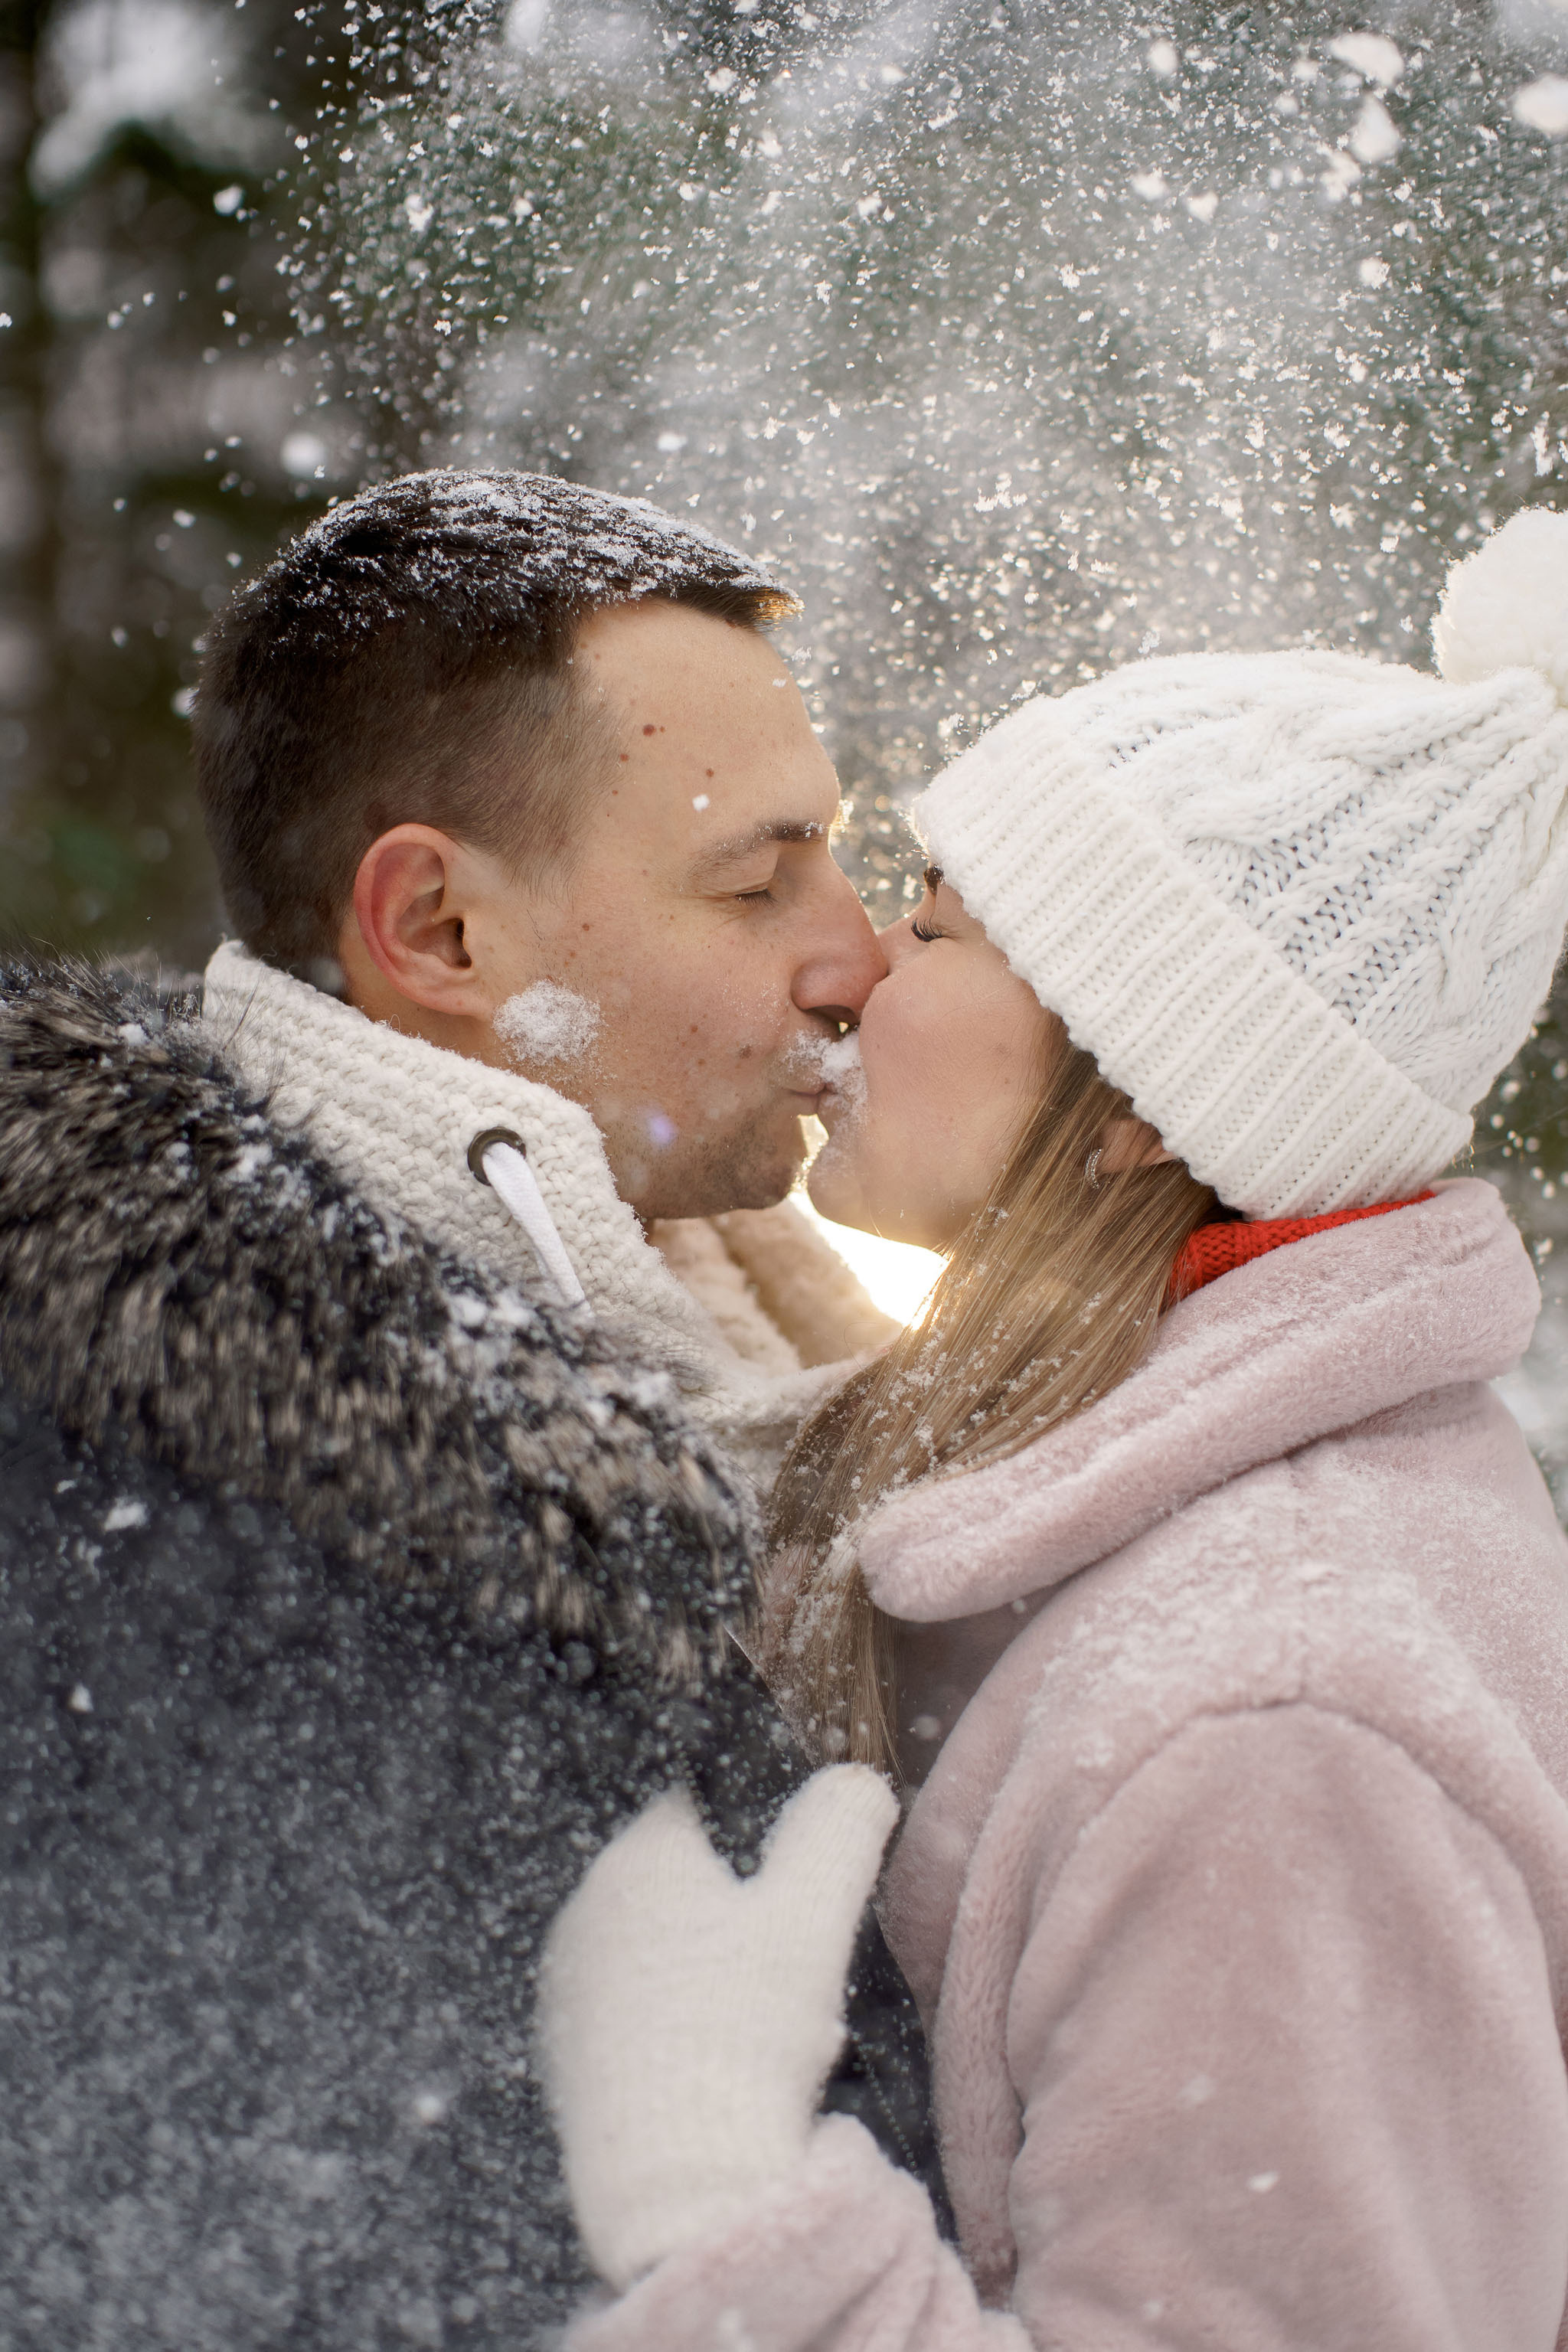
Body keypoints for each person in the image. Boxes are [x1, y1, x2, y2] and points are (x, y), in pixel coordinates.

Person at [539, 506, 1568, 2350]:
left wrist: (725, 2214)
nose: (854, 964)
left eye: (936, 924)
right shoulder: (1148, 1528)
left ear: (1141, 1109)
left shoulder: (1270, 1725)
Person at [0, 472, 938, 2350]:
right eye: (758, 882)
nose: (859, 955)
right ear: (433, 930)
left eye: (837, 859)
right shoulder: (171, 1548)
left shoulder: (703, 1357)